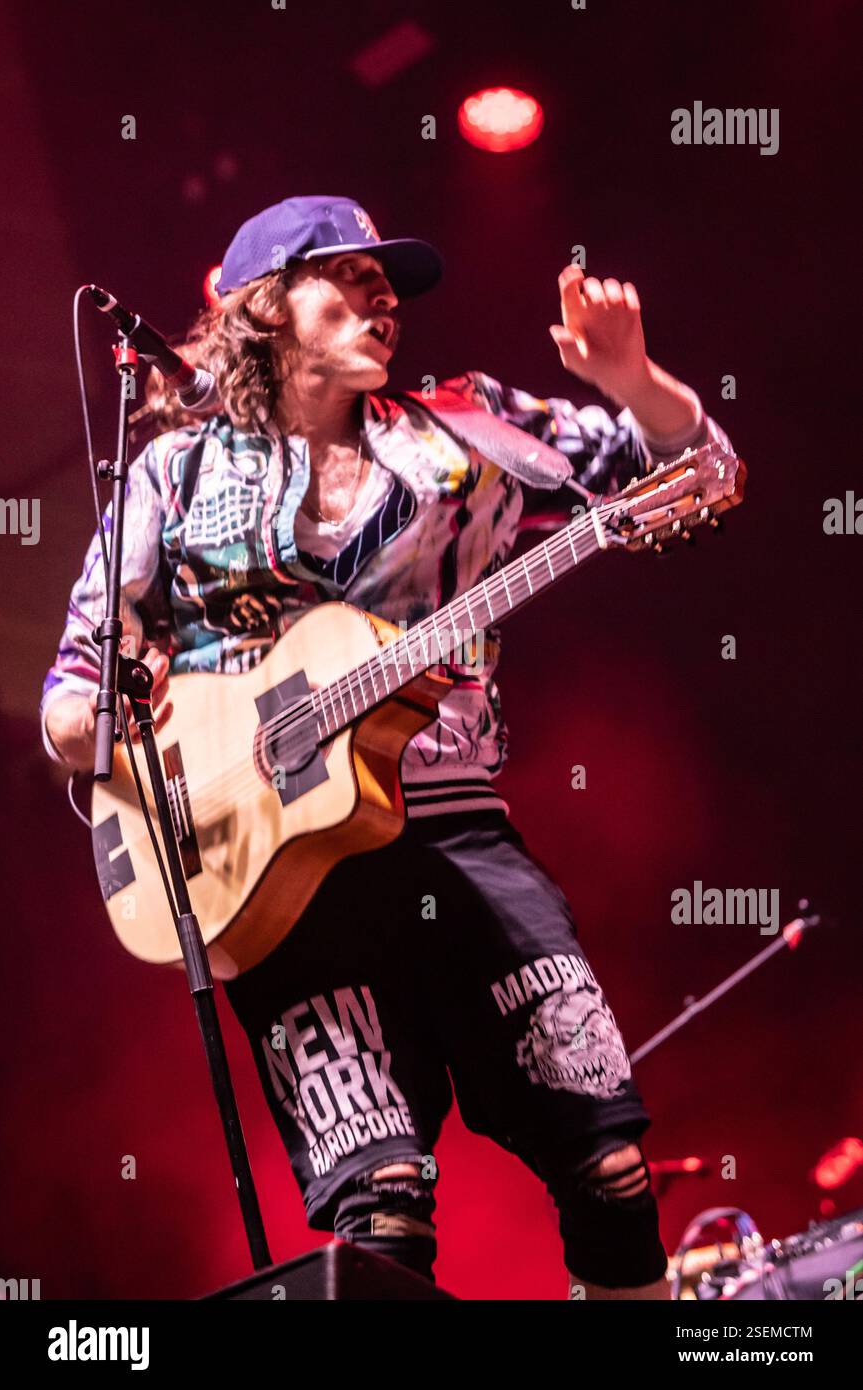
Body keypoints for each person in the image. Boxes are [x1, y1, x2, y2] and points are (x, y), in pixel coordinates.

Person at [42, 195, 733, 1298]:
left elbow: (699, 468)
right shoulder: (167, 476)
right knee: (383, 1217)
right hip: (273, 872)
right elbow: (72, 697)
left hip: (457, 826)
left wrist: (633, 380)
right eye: (351, 277)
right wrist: (114, 715)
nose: (385, 299)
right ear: (266, 306)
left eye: (392, 285)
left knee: (606, 1163)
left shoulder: (464, 428)